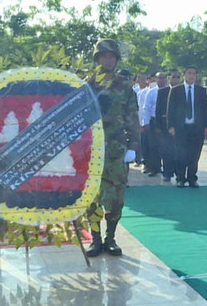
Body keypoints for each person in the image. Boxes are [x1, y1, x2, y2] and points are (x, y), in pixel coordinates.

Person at [83, 39, 139, 257]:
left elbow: (132, 117)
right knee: (92, 197)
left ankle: (111, 238)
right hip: (92, 150)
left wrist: (133, 146)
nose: (107, 60)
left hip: (116, 149)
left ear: (116, 59)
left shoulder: (124, 85)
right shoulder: (88, 84)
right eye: (104, 56)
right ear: (97, 58)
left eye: (111, 56)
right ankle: (96, 239)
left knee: (116, 197)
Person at [167, 66, 207, 188]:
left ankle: (192, 178)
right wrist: (170, 126)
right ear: (184, 75)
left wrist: (206, 126)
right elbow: (170, 109)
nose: (191, 76)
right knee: (180, 154)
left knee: (194, 154)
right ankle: (180, 178)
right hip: (181, 127)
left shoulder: (201, 91)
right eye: (189, 73)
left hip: (196, 128)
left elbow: (205, 110)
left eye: (194, 74)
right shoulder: (176, 90)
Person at [155, 69, 180, 182]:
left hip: (179, 126)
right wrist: (158, 127)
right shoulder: (162, 92)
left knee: (178, 151)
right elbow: (158, 110)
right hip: (165, 126)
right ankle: (167, 172)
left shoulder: (182, 91)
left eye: (177, 77)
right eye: (173, 77)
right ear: (169, 78)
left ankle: (179, 173)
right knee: (166, 150)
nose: (175, 79)